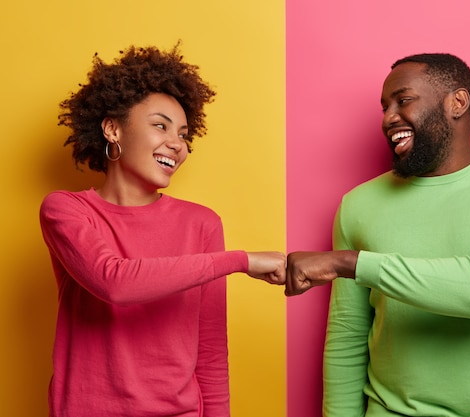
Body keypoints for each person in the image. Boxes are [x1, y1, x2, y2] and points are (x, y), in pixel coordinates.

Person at [285, 53, 470, 417]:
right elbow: (348, 336)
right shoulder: (358, 204)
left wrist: (349, 263)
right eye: (384, 107)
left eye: (403, 101)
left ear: (457, 102)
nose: (389, 118)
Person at [39, 44, 286, 417]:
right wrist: (241, 261)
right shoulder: (67, 210)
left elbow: (211, 348)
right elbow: (115, 282)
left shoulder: (201, 223)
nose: (177, 144)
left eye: (184, 134)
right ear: (112, 129)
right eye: (160, 125)